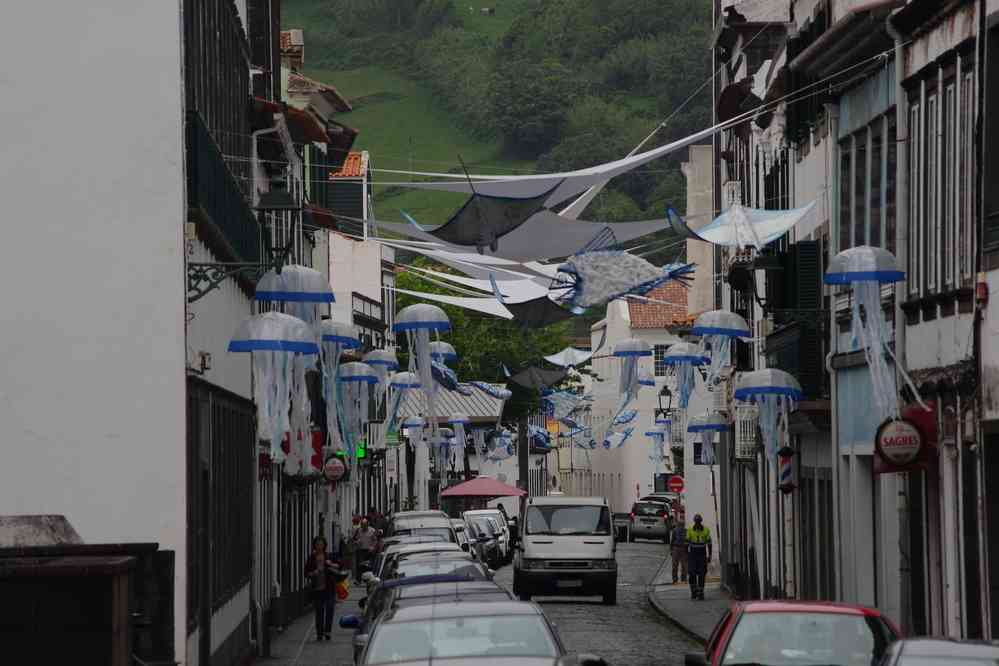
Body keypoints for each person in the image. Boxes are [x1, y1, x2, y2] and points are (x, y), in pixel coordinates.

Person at [305, 536, 345, 641]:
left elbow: (340, 565)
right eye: (317, 544)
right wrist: (314, 572)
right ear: (315, 546)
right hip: (317, 588)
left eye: (321, 544)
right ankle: (319, 633)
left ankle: (327, 631)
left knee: (330, 608)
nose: (319, 546)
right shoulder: (311, 558)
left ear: (324, 545)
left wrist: (331, 564)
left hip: (329, 587)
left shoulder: (329, 556)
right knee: (319, 611)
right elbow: (306, 573)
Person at [686, 513, 712, 600]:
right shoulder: (690, 530)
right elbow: (686, 544)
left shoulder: (706, 530)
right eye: (696, 522)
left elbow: (709, 544)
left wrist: (710, 555)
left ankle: (701, 592)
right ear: (694, 522)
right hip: (693, 555)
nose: (697, 524)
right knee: (691, 573)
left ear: (701, 522)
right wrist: (687, 556)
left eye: (699, 522)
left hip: (702, 555)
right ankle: (693, 591)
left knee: (702, 574)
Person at [352, 517, 379, 583]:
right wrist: (357, 542)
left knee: (369, 565)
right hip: (361, 550)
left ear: (367, 525)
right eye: (362, 525)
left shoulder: (372, 530)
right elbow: (354, 539)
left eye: (365, 525)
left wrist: (372, 547)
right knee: (359, 565)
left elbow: (375, 540)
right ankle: (358, 580)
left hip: (369, 550)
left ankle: (369, 579)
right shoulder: (359, 530)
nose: (363, 527)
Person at [669, 517, 688, 584]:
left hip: (683, 548)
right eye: (680, 524)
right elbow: (672, 541)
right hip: (676, 548)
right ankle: (675, 579)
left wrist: (687, 550)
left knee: (684, 565)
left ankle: (683, 579)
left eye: (682, 525)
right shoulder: (675, 530)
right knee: (674, 565)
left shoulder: (686, 531)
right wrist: (671, 550)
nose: (681, 526)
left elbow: (688, 541)